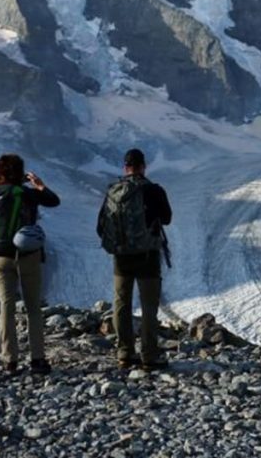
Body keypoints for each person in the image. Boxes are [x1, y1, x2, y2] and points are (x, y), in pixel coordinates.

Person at [0, 154, 60, 375]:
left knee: (6, 306)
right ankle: (37, 360)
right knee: (33, 307)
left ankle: (9, 360)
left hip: (0, 257)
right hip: (27, 256)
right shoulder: (27, 194)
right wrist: (38, 185)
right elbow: (53, 200)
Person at [97, 148, 172, 370]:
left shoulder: (114, 191)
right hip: (147, 255)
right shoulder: (153, 190)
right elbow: (166, 219)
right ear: (143, 166)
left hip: (121, 256)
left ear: (125, 167)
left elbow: (100, 225)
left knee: (121, 304)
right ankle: (149, 355)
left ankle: (124, 354)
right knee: (149, 306)